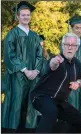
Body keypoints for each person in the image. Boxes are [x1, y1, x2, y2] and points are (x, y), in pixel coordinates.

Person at [30, 33, 81, 133]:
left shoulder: (77, 64)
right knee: (51, 112)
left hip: (59, 102)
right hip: (41, 97)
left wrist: (78, 83)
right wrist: (55, 62)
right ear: (62, 46)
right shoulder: (57, 59)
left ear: (77, 48)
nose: (70, 47)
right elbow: (52, 65)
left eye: (73, 45)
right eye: (67, 44)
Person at [2, 1, 43, 132]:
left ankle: (28, 131)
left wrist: (36, 71)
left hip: (32, 77)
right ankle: (12, 130)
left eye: (28, 15)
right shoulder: (12, 34)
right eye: (23, 15)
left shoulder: (35, 36)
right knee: (16, 104)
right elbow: (10, 55)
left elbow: (40, 55)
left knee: (30, 106)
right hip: (17, 76)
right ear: (18, 16)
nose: (26, 17)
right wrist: (25, 70)